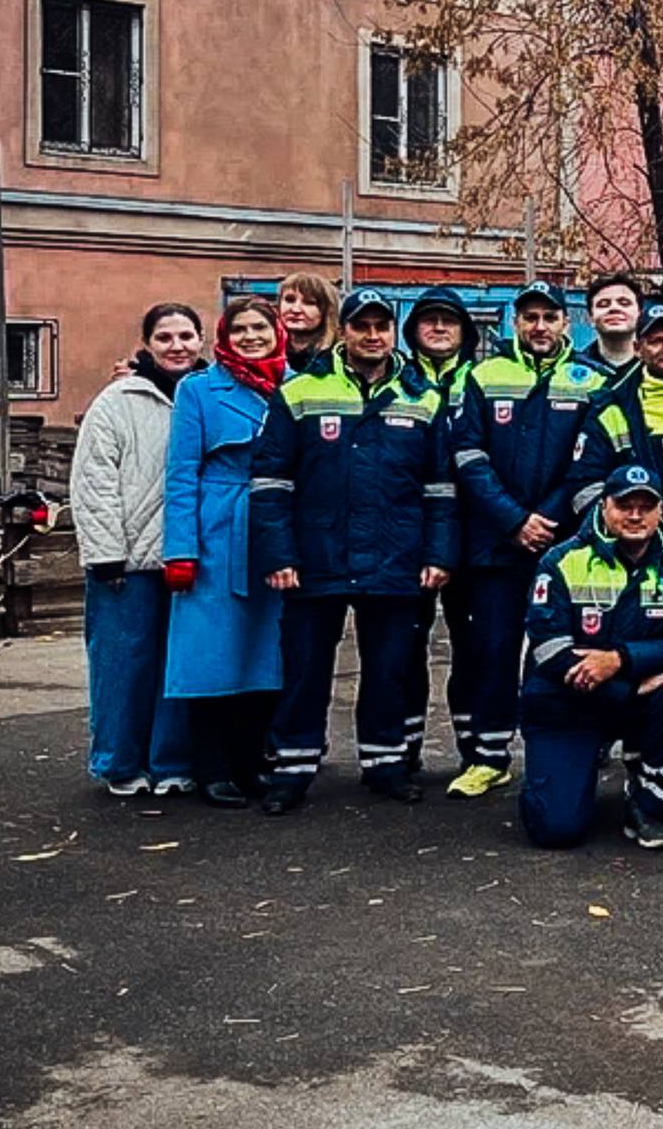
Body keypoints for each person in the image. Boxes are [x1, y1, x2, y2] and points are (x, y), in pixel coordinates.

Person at [249, 286, 457, 812]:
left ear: (393, 331)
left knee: (390, 668)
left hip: (397, 555)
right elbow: (272, 479)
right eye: (360, 325)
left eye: (380, 326)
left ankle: (386, 764)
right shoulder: (299, 390)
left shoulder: (422, 395)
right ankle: (292, 770)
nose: (371, 335)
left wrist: (438, 554)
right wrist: (279, 554)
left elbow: (440, 487)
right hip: (314, 555)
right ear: (342, 331)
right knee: (304, 667)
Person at [447, 281, 609, 797]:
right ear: (515, 323)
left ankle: (576, 750)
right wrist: (514, 519)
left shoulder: (592, 380)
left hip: (565, 545)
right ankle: (487, 756)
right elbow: (468, 455)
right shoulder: (484, 374)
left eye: (550, 317)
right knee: (491, 650)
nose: (540, 326)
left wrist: (548, 519)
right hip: (497, 542)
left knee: (571, 647)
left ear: (567, 323)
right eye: (530, 317)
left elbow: (589, 462)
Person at [517, 464, 663, 849]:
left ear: (661, 511)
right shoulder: (561, 561)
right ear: (603, 507)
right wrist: (627, 686)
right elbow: (550, 650)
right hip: (567, 703)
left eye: (646, 506)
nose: (635, 515)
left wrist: (619, 659)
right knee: (556, 830)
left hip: (641, 697)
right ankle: (561, 776)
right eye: (624, 505)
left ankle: (647, 806)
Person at [163, 295, 291, 808]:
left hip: (275, 528)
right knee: (210, 655)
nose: (250, 336)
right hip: (217, 530)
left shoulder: (293, 384)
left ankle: (251, 761)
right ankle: (211, 768)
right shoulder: (198, 389)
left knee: (266, 655)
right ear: (223, 335)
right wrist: (180, 549)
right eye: (239, 329)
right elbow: (180, 473)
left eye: (260, 327)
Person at [73, 301, 202, 797]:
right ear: (147, 343)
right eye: (165, 337)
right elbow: (94, 481)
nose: (177, 346)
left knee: (178, 668)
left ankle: (171, 761)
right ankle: (120, 763)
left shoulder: (204, 396)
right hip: (128, 562)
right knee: (122, 666)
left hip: (185, 557)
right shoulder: (119, 400)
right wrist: (105, 553)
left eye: (186, 336)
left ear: (201, 340)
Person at [400, 288, 483, 784]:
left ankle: (474, 750)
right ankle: (404, 749)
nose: (438, 329)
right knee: (405, 649)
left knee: (472, 649)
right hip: (409, 536)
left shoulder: (482, 380)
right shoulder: (396, 380)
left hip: (474, 535)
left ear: (465, 333)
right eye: (428, 321)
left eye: (448, 322)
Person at [574, 302, 663, 557]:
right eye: (656, 341)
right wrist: (625, 534)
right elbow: (585, 484)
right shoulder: (612, 403)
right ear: (638, 348)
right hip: (641, 545)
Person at [580, 272, 645, 379]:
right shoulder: (571, 369)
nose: (614, 308)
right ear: (590, 318)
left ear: (639, 313)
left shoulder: (656, 368)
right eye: (603, 304)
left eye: (624, 303)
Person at [275, 271, 338, 374]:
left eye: (309, 302)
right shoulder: (263, 352)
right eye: (289, 300)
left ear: (326, 310)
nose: (295, 310)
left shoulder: (339, 356)